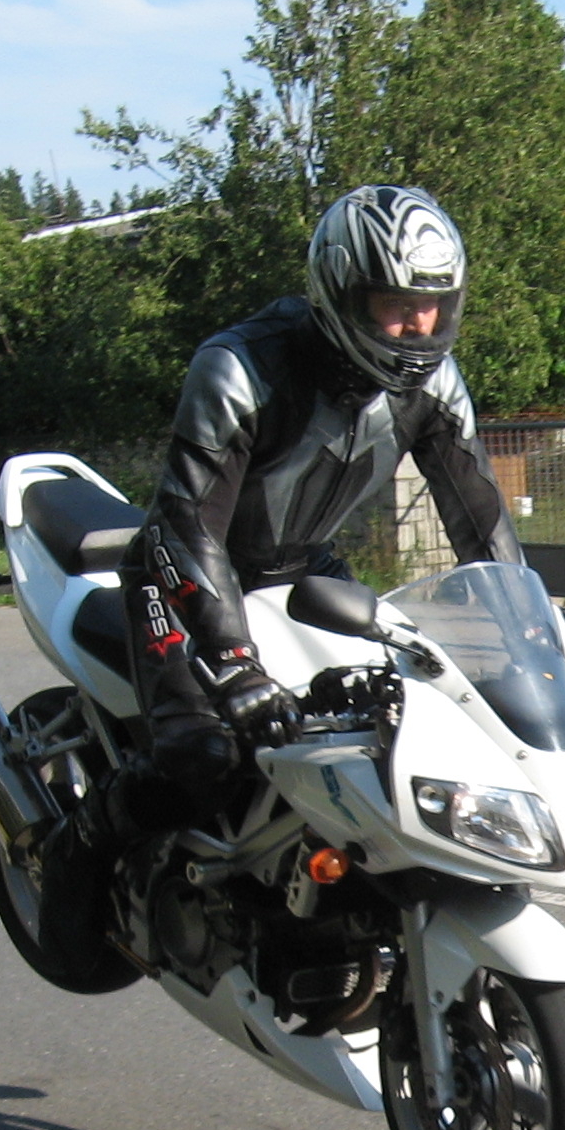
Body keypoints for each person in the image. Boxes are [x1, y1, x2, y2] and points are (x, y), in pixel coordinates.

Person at [119, 183, 521, 794]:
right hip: (181, 580)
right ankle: (80, 847)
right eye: (395, 302)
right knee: (202, 757)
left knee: (399, 723)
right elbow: (187, 525)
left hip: (307, 573)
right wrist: (233, 660)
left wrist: (528, 633)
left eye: (432, 304)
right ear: (341, 294)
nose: (418, 325)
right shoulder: (241, 368)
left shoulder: (435, 385)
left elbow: (480, 519)